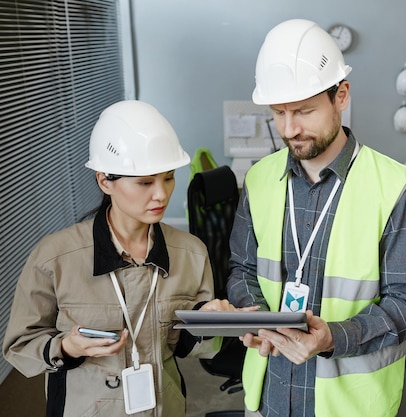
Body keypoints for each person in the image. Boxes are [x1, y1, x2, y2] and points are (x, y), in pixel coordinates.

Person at [226, 19, 406, 417]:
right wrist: (255, 318)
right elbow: (242, 268)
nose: (290, 128)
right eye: (279, 112)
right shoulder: (259, 179)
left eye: (304, 111)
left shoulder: (394, 187)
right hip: (270, 394)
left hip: (351, 406)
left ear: (341, 95)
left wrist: (333, 337)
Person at [2, 100, 241, 417]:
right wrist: (66, 347)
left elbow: (193, 349)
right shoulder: (55, 257)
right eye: (145, 182)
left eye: (168, 177)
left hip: (165, 406)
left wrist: (206, 322)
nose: (161, 194)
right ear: (105, 181)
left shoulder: (192, 252)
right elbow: (20, 346)